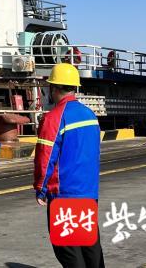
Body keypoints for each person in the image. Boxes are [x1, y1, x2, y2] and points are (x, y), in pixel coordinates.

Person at [34, 63, 105, 268]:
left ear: (54, 88)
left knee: (68, 251)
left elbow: (45, 157)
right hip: (88, 192)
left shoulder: (54, 118)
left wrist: (40, 188)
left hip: (64, 194)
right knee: (90, 248)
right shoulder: (90, 115)